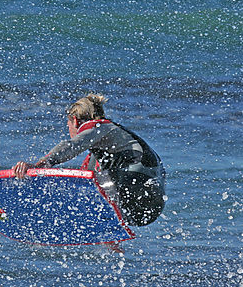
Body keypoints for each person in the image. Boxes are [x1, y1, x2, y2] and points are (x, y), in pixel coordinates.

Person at [13, 93, 166, 226]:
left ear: (75, 120)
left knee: (89, 190)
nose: (69, 131)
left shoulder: (97, 126)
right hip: (151, 206)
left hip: (135, 185)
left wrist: (39, 165)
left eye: (68, 126)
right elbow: (83, 180)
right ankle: (112, 235)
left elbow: (71, 146)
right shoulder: (110, 143)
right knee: (89, 183)